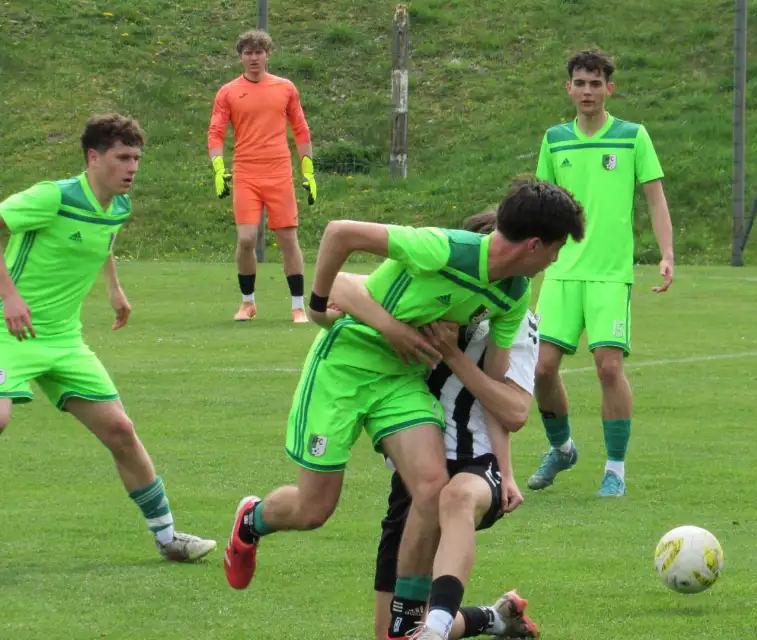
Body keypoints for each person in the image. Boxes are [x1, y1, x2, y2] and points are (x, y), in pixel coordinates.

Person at [222, 178, 584, 640]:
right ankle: (251, 520)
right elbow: (339, 233)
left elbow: (494, 389)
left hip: (401, 379)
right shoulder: (441, 248)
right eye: (556, 249)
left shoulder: (513, 295)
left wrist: (505, 468)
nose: (555, 259)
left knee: (432, 487)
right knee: (314, 509)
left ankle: (410, 624)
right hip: (345, 366)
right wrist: (318, 308)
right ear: (534, 244)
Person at [0, 113, 216, 561]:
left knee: (120, 430)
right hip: (8, 331)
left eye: (136, 158)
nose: (132, 167)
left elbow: (104, 240)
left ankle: (168, 538)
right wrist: (10, 296)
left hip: (63, 339)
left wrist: (114, 288)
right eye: (123, 157)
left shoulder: (118, 205)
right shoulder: (52, 197)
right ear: (94, 157)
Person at [326, 209, 540, 640]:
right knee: (393, 633)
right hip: (414, 475)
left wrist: (454, 356)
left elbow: (514, 412)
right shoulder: (425, 300)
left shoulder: (511, 322)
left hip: (475, 464)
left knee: (456, 497)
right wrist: (374, 323)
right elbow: (338, 288)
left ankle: (441, 624)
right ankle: (492, 618)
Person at [529, 49, 675, 497]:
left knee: (608, 368)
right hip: (562, 272)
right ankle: (562, 448)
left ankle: (615, 469)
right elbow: (539, 205)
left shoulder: (633, 137)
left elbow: (654, 197)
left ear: (608, 89)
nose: (587, 91)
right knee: (541, 368)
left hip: (610, 275)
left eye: (596, 84)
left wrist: (667, 252)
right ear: (569, 88)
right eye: (580, 83)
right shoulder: (555, 139)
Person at [207, 29, 317, 323]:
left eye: (259, 52)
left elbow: (301, 130)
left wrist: (308, 170)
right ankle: (248, 303)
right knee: (246, 239)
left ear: (268, 54)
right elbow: (215, 133)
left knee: (287, 239)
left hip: (279, 172)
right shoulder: (228, 92)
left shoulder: (285, 88)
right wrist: (218, 168)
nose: (254, 58)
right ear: (240, 57)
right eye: (248, 53)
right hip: (246, 172)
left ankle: (297, 306)